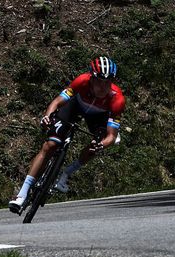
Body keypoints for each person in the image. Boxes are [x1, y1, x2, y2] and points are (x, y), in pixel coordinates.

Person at [9, 56, 126, 213]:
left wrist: (101, 144)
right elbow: (57, 102)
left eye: (108, 81)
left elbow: (111, 136)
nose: (103, 86)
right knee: (50, 145)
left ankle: (66, 174)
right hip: (74, 107)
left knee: (95, 146)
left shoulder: (117, 99)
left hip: (98, 117)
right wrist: (47, 116)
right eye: (99, 81)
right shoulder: (82, 81)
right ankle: (22, 194)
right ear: (91, 78)